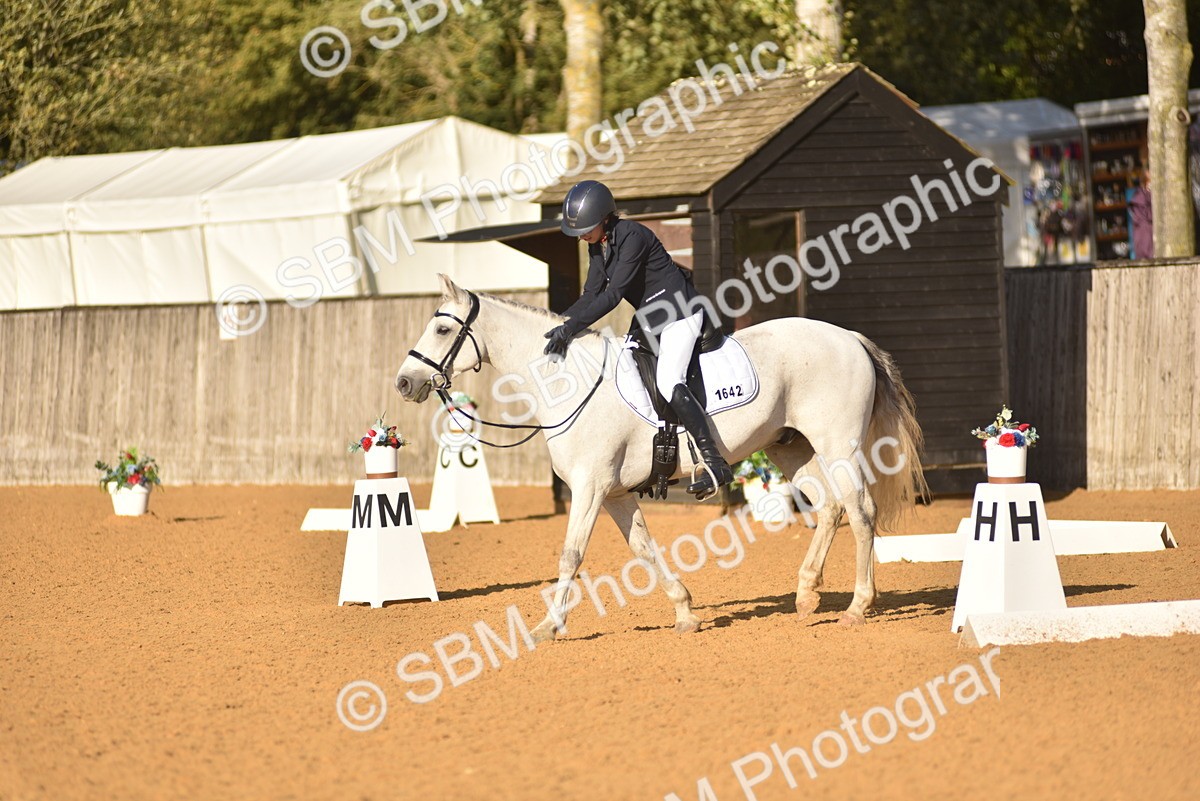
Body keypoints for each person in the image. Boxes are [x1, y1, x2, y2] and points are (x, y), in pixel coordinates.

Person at [542, 180, 733, 496]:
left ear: (604, 218)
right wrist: (559, 323)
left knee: (669, 380)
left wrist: (572, 328)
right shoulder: (599, 244)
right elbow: (591, 294)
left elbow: (613, 294)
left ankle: (715, 462)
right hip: (649, 320)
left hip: (680, 312)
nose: (581, 236)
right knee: (622, 374)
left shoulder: (633, 236)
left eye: (585, 228)